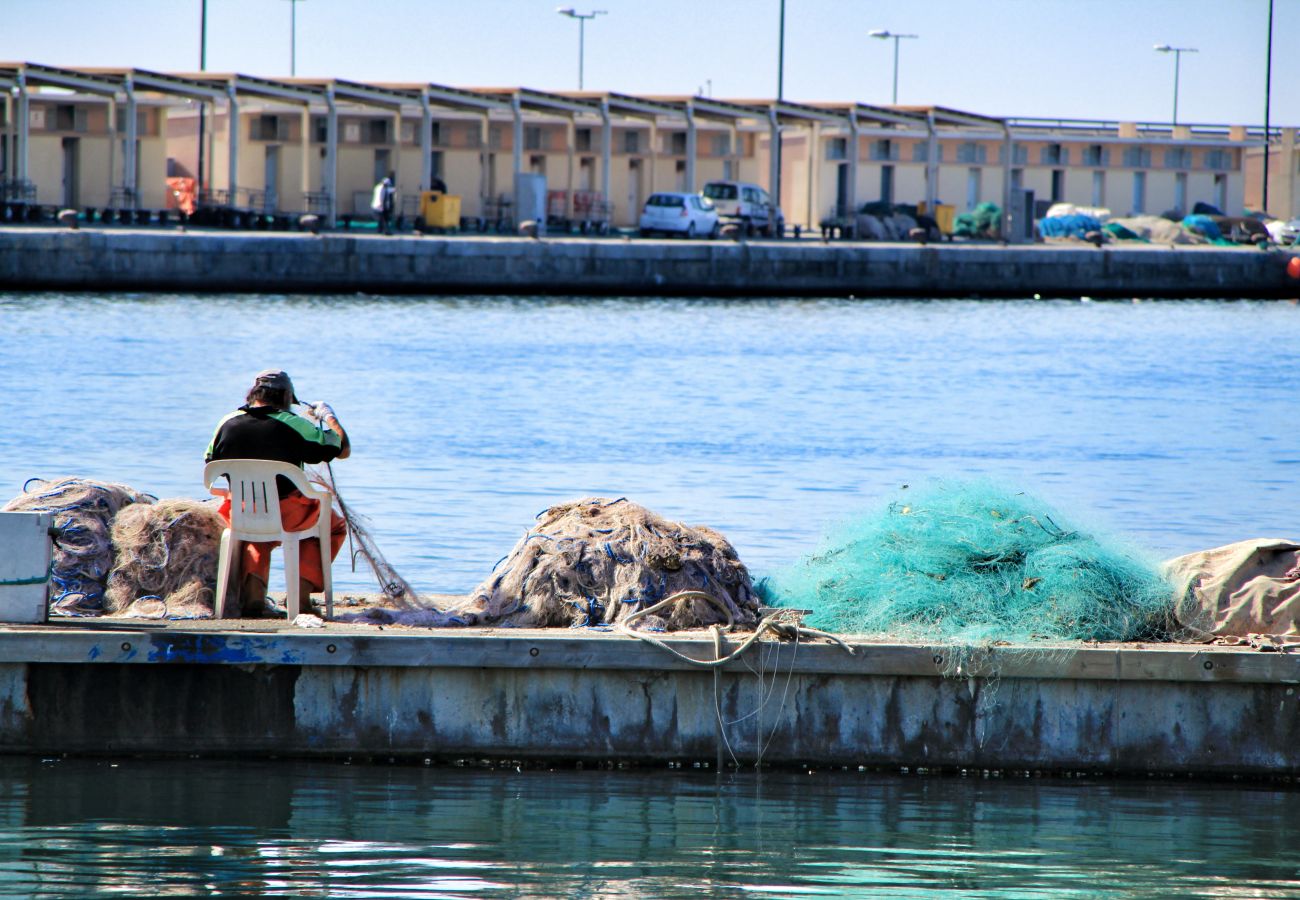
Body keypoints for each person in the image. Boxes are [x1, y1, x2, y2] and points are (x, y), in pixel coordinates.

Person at [204, 369, 350, 618]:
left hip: (240, 511)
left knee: (256, 536)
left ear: (253, 394)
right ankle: (301, 599)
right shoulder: (293, 423)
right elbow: (342, 448)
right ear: (285, 397)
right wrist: (329, 416)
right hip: (288, 514)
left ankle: (253, 598)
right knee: (332, 526)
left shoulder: (226, 421)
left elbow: (210, 461)